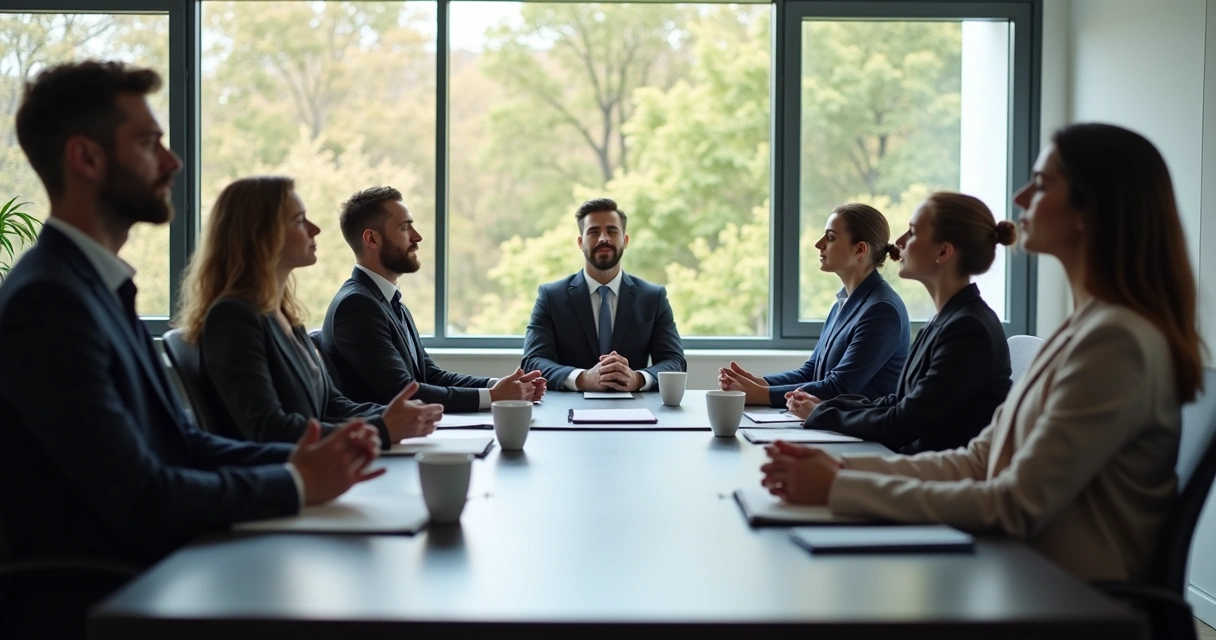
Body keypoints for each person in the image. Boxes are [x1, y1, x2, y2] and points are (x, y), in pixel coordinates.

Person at [0, 60, 383, 636]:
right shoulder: (49, 301)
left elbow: (178, 443)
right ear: (86, 158)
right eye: (149, 142)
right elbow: (141, 495)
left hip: (156, 567)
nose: (173, 161)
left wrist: (303, 464)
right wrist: (297, 483)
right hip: (106, 595)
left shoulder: (96, 285)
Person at [761, 123, 1204, 582]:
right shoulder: (1081, 332)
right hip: (1025, 573)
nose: (1020, 197)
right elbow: (977, 461)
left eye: (1043, 183)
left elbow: (1011, 504)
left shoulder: (1117, 344)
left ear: (1088, 212)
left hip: (1065, 597)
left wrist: (840, 486)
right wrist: (841, 468)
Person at [177, 176, 443, 445]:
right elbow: (270, 429)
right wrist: (381, 430)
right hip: (281, 477)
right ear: (261, 235)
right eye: (299, 220)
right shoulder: (233, 319)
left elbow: (332, 405)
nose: (315, 229)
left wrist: (394, 417)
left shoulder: (284, 314)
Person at [784, 193, 1016, 454]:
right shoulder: (944, 320)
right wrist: (824, 408)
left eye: (913, 232)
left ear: (944, 251)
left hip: (936, 478)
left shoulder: (969, 330)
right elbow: (899, 401)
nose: (899, 242)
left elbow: (903, 422)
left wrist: (822, 414)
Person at [321, 186, 545, 412]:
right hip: (386, 442)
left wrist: (503, 386)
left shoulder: (388, 301)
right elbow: (403, 392)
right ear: (372, 239)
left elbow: (430, 375)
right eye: (405, 227)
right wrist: (494, 396)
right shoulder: (357, 306)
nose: (417, 237)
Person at [720, 203, 910, 406]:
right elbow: (811, 372)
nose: (818, 244)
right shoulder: (842, 304)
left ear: (860, 249)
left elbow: (839, 387)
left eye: (830, 237)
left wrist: (761, 395)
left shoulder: (882, 311)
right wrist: (761, 383)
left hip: (863, 435)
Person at [522, 198, 686, 391]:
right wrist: (582, 378)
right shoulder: (551, 297)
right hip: (567, 411)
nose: (603, 239)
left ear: (625, 240)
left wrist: (638, 379)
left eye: (612, 231)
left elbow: (674, 361)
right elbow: (532, 362)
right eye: (593, 232)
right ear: (580, 242)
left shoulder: (653, 297)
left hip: (636, 410)